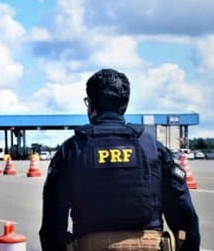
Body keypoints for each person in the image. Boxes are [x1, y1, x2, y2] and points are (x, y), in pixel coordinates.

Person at [39, 69, 200, 251]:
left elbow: (52, 224)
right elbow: (185, 216)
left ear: (91, 105)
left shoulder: (72, 150)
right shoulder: (152, 148)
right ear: (124, 105)